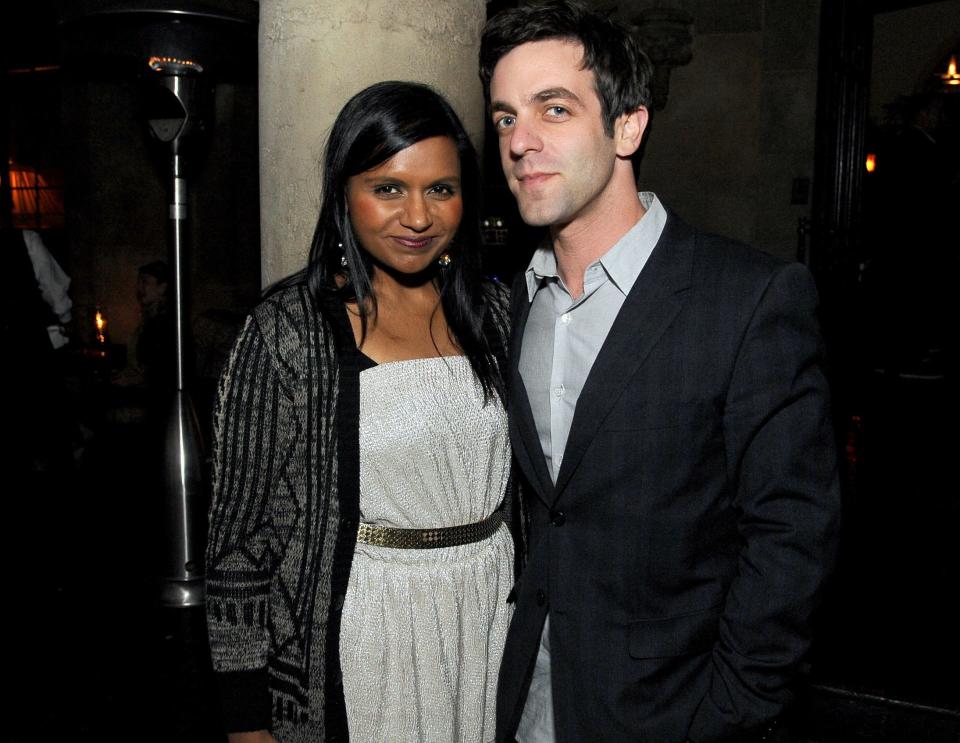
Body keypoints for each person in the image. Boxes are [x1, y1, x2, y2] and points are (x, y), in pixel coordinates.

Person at [479, 2, 841, 742]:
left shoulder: (748, 298)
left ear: (627, 126)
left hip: (670, 711)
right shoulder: (511, 301)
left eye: (554, 108)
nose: (522, 141)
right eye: (506, 117)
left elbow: (791, 537)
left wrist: (727, 713)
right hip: (525, 701)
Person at [205, 81, 521, 743]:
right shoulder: (287, 334)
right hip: (368, 631)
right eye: (388, 188)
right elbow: (238, 548)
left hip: (488, 617)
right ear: (344, 193)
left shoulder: (495, 315)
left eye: (441, 189)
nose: (418, 216)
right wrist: (246, 721)